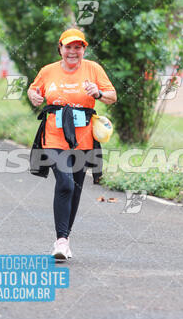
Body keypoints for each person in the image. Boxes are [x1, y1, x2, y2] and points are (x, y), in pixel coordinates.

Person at [27, 28, 117, 260]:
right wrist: (33, 96)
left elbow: (112, 96)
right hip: (54, 137)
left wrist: (97, 93)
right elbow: (33, 89)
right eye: (68, 47)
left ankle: (64, 239)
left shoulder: (93, 69)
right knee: (65, 182)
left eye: (78, 47)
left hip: (83, 140)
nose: (73, 52)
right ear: (60, 48)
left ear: (84, 49)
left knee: (75, 188)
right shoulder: (48, 71)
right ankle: (60, 240)